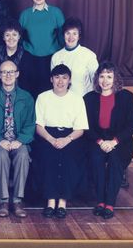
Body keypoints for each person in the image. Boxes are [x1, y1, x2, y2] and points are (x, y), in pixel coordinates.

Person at [0, 61, 35, 218]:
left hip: (19, 141)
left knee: (23, 154)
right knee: (1, 155)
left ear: (17, 74)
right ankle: (3, 200)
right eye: (4, 72)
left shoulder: (27, 97)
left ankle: (17, 201)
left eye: (11, 72)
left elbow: (31, 123)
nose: (8, 75)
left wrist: (21, 140)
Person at [84, 61, 133, 219]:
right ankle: (100, 200)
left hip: (120, 142)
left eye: (109, 76)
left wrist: (114, 142)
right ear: (97, 78)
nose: (105, 80)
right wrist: (101, 142)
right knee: (96, 158)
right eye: (101, 76)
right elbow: (87, 127)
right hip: (97, 140)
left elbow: (131, 125)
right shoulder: (89, 98)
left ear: (115, 79)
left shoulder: (127, 97)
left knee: (115, 159)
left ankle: (110, 203)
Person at [34, 64, 88, 219]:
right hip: (47, 135)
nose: (60, 81)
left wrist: (67, 139)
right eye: (57, 77)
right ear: (51, 79)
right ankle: (50, 201)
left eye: (64, 77)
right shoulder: (43, 97)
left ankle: (63, 202)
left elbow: (80, 128)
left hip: (71, 136)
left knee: (68, 158)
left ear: (69, 80)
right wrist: (51, 139)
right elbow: (38, 125)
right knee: (47, 156)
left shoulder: (77, 99)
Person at [19, 0, 65, 99]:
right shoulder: (25, 15)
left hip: (51, 58)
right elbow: (19, 38)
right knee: (30, 92)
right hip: (30, 58)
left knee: (48, 93)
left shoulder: (56, 13)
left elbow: (63, 37)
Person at [51, 17, 98, 97]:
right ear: (63, 35)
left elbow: (96, 81)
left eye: (74, 33)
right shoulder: (56, 57)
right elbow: (55, 82)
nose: (71, 37)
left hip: (84, 100)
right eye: (68, 33)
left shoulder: (89, 55)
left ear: (79, 36)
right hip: (63, 100)